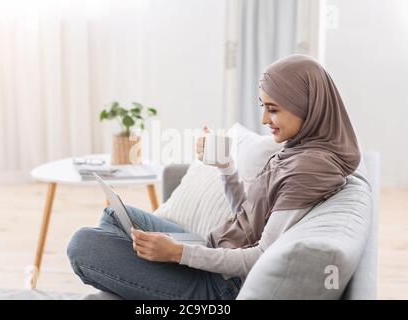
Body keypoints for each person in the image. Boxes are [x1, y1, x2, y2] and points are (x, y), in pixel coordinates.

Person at [67, 54, 361, 300]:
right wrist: (224, 166)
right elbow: (248, 217)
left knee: (82, 244)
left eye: (274, 110)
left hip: (221, 284)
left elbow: (260, 256)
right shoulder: (299, 150)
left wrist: (177, 253)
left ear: (306, 107)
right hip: (214, 249)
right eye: (263, 107)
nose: (264, 120)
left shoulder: (309, 169)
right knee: (116, 216)